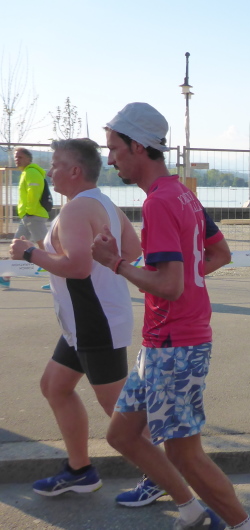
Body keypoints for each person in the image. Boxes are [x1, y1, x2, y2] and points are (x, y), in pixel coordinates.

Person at [92, 102, 250, 530]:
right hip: (164, 342)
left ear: (138, 146)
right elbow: (219, 253)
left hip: (175, 345)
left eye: (114, 148)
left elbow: (169, 285)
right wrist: (177, 281)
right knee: (121, 435)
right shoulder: (183, 193)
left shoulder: (160, 203)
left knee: (186, 455)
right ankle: (191, 511)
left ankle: (244, 526)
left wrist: (115, 263)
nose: (110, 160)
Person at [9, 138, 140, 497]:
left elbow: (78, 268)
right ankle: (80, 471)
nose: (50, 171)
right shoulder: (103, 202)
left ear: (75, 170)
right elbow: (132, 249)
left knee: (120, 411)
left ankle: (166, 476)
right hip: (84, 322)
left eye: (55, 165)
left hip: (95, 322)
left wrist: (30, 253)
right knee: (55, 386)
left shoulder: (76, 210)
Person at [1, 148, 50, 289]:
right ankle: (6, 276)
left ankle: (58, 279)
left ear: (29, 159)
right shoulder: (26, 173)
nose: (17, 160)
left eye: (20, 157)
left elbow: (33, 193)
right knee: (16, 245)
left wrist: (29, 211)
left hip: (33, 215)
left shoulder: (31, 172)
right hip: (27, 216)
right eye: (16, 157)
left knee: (46, 248)